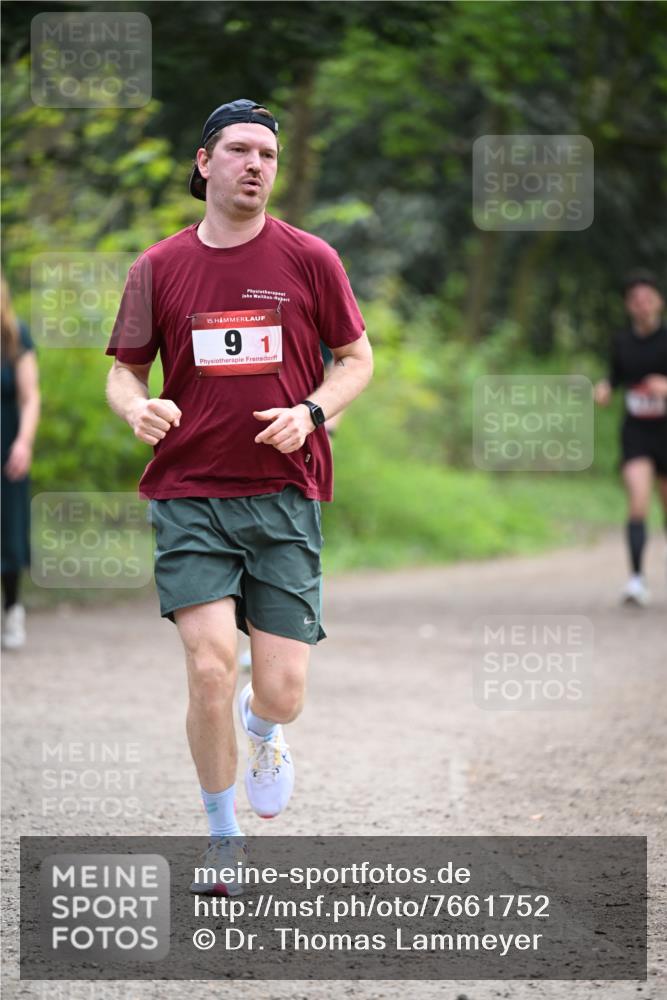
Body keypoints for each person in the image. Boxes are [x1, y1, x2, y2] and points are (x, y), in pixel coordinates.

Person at [105, 99, 373, 893]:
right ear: (203, 162)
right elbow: (123, 369)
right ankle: (222, 838)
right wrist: (136, 406)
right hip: (189, 494)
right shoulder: (156, 269)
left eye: (268, 154)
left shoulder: (309, 258)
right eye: (240, 150)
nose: (256, 164)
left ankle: (265, 732)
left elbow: (356, 358)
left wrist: (312, 411)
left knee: (281, 691)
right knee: (211, 667)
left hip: (284, 493)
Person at [594, 270, 667, 606]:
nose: (643, 305)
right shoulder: (622, 341)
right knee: (637, 503)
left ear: (659, 303)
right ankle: (637, 580)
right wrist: (605, 388)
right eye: (636, 300)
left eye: (648, 299)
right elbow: (615, 376)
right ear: (628, 306)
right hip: (636, 431)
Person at [1, 275, 40, 650]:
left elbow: (30, 397)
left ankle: (12, 610)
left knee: (8, 531)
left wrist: (24, 443)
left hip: (6, 448)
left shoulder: (15, 336)